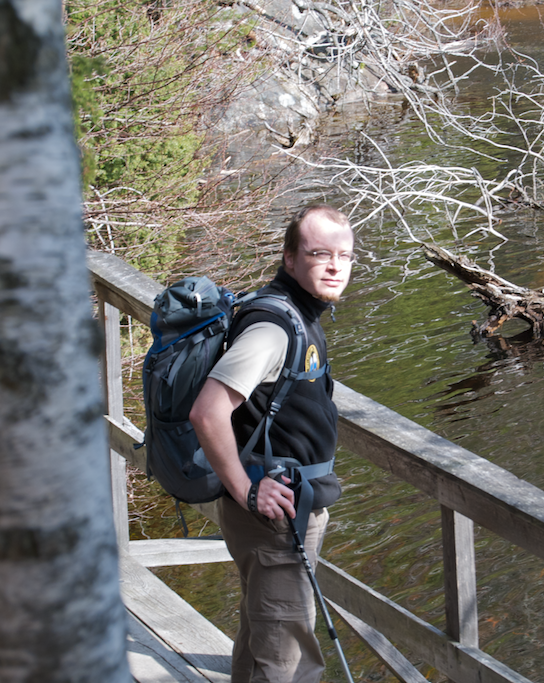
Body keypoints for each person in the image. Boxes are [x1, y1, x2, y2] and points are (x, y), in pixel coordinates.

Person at [190, 204, 355, 683]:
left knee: (261, 643)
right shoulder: (274, 327)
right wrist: (246, 490)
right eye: (319, 253)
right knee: (288, 662)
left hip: (280, 511)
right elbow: (207, 410)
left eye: (343, 255)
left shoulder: (295, 310)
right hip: (274, 516)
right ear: (289, 258)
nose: (333, 266)